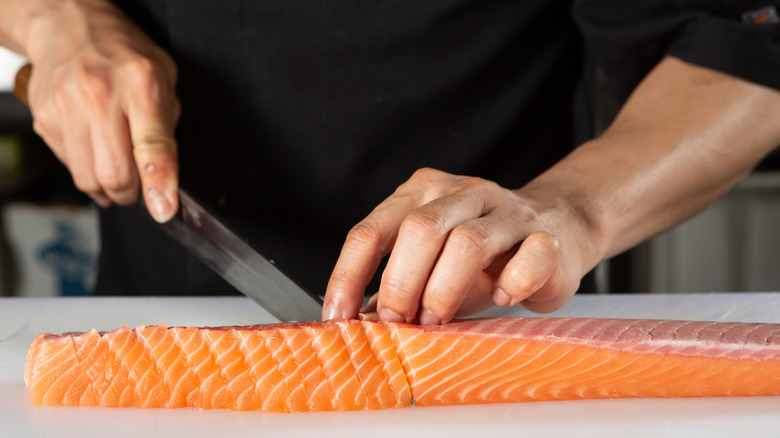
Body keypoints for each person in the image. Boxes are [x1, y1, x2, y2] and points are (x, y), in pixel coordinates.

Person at [0, 0, 778, 324]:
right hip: (161, 306)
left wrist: (569, 210)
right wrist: (54, 22)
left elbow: (747, 48)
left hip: (486, 309)